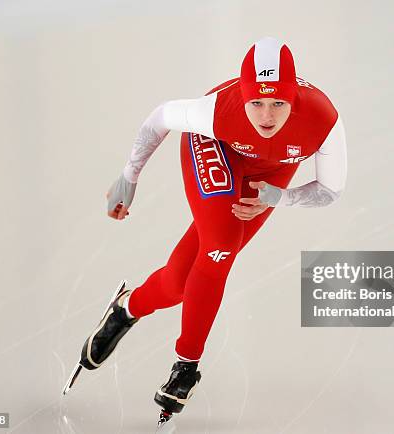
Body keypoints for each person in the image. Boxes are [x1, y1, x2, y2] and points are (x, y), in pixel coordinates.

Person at [78, 36, 347, 422]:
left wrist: (279, 197)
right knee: (220, 246)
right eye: (256, 102)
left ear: (295, 99)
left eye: (278, 103)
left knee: (178, 285)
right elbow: (160, 117)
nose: (267, 116)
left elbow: (329, 191)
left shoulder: (322, 118)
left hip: (271, 174)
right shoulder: (217, 110)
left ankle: (126, 308)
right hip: (216, 145)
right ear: (242, 95)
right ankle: (186, 366)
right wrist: (128, 176)